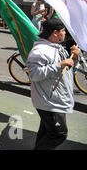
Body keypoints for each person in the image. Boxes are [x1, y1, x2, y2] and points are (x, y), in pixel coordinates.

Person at [26, 18, 80, 150]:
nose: (65, 34)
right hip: (49, 101)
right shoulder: (40, 51)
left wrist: (75, 59)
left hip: (55, 99)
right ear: (55, 33)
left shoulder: (57, 47)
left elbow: (68, 70)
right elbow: (33, 74)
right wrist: (59, 65)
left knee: (47, 132)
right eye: (63, 31)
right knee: (59, 134)